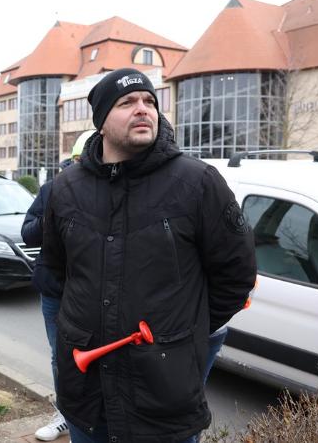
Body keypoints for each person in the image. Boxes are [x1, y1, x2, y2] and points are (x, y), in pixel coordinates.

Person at [42, 68, 256, 443]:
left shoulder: (198, 183)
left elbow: (236, 277)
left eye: (150, 102)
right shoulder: (64, 189)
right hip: (86, 396)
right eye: (127, 103)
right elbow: (56, 273)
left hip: (163, 398)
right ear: (102, 123)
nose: (143, 109)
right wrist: (76, 327)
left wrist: (182, 333)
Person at [22, 129, 94, 442]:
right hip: (55, 290)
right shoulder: (51, 189)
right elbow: (29, 233)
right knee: (59, 356)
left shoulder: (106, 193)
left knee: (94, 356)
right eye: (77, 161)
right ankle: (65, 414)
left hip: (91, 292)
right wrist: (53, 213)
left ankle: (89, 413)